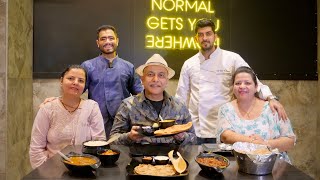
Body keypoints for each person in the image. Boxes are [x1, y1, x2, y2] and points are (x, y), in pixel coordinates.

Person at [175, 18, 287, 144]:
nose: (204, 38)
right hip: (195, 128)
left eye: (208, 34)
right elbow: (181, 97)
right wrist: (177, 125)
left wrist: (270, 97)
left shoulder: (232, 58)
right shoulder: (189, 64)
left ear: (215, 36)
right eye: (200, 35)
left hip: (225, 127)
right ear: (196, 39)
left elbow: (252, 80)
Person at [29, 65, 106, 169]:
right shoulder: (48, 109)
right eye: (70, 78)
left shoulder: (92, 107)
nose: (75, 82)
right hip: (53, 172)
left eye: (81, 80)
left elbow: (99, 143)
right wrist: (46, 173)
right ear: (61, 81)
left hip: (85, 170)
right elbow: (36, 149)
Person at [110, 54, 196, 145]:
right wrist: (129, 137)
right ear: (142, 79)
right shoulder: (128, 105)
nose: (155, 79)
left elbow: (194, 139)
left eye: (161, 75)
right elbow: (112, 140)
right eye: (150, 74)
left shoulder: (179, 106)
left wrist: (182, 137)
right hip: (138, 158)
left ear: (167, 81)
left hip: (172, 158)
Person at [217, 66, 296, 162]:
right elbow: (226, 136)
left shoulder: (273, 108)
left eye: (247, 83)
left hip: (275, 166)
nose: (242, 86)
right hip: (240, 165)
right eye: (237, 83)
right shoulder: (226, 109)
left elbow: (290, 140)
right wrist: (255, 142)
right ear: (233, 87)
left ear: (256, 87)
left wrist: (265, 143)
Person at [80, 25, 143, 138]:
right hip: (96, 122)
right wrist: (57, 100)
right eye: (103, 39)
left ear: (117, 41)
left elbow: (140, 95)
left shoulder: (128, 67)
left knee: (122, 154)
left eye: (111, 38)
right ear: (97, 42)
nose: (107, 41)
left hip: (123, 123)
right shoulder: (87, 66)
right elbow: (75, 91)